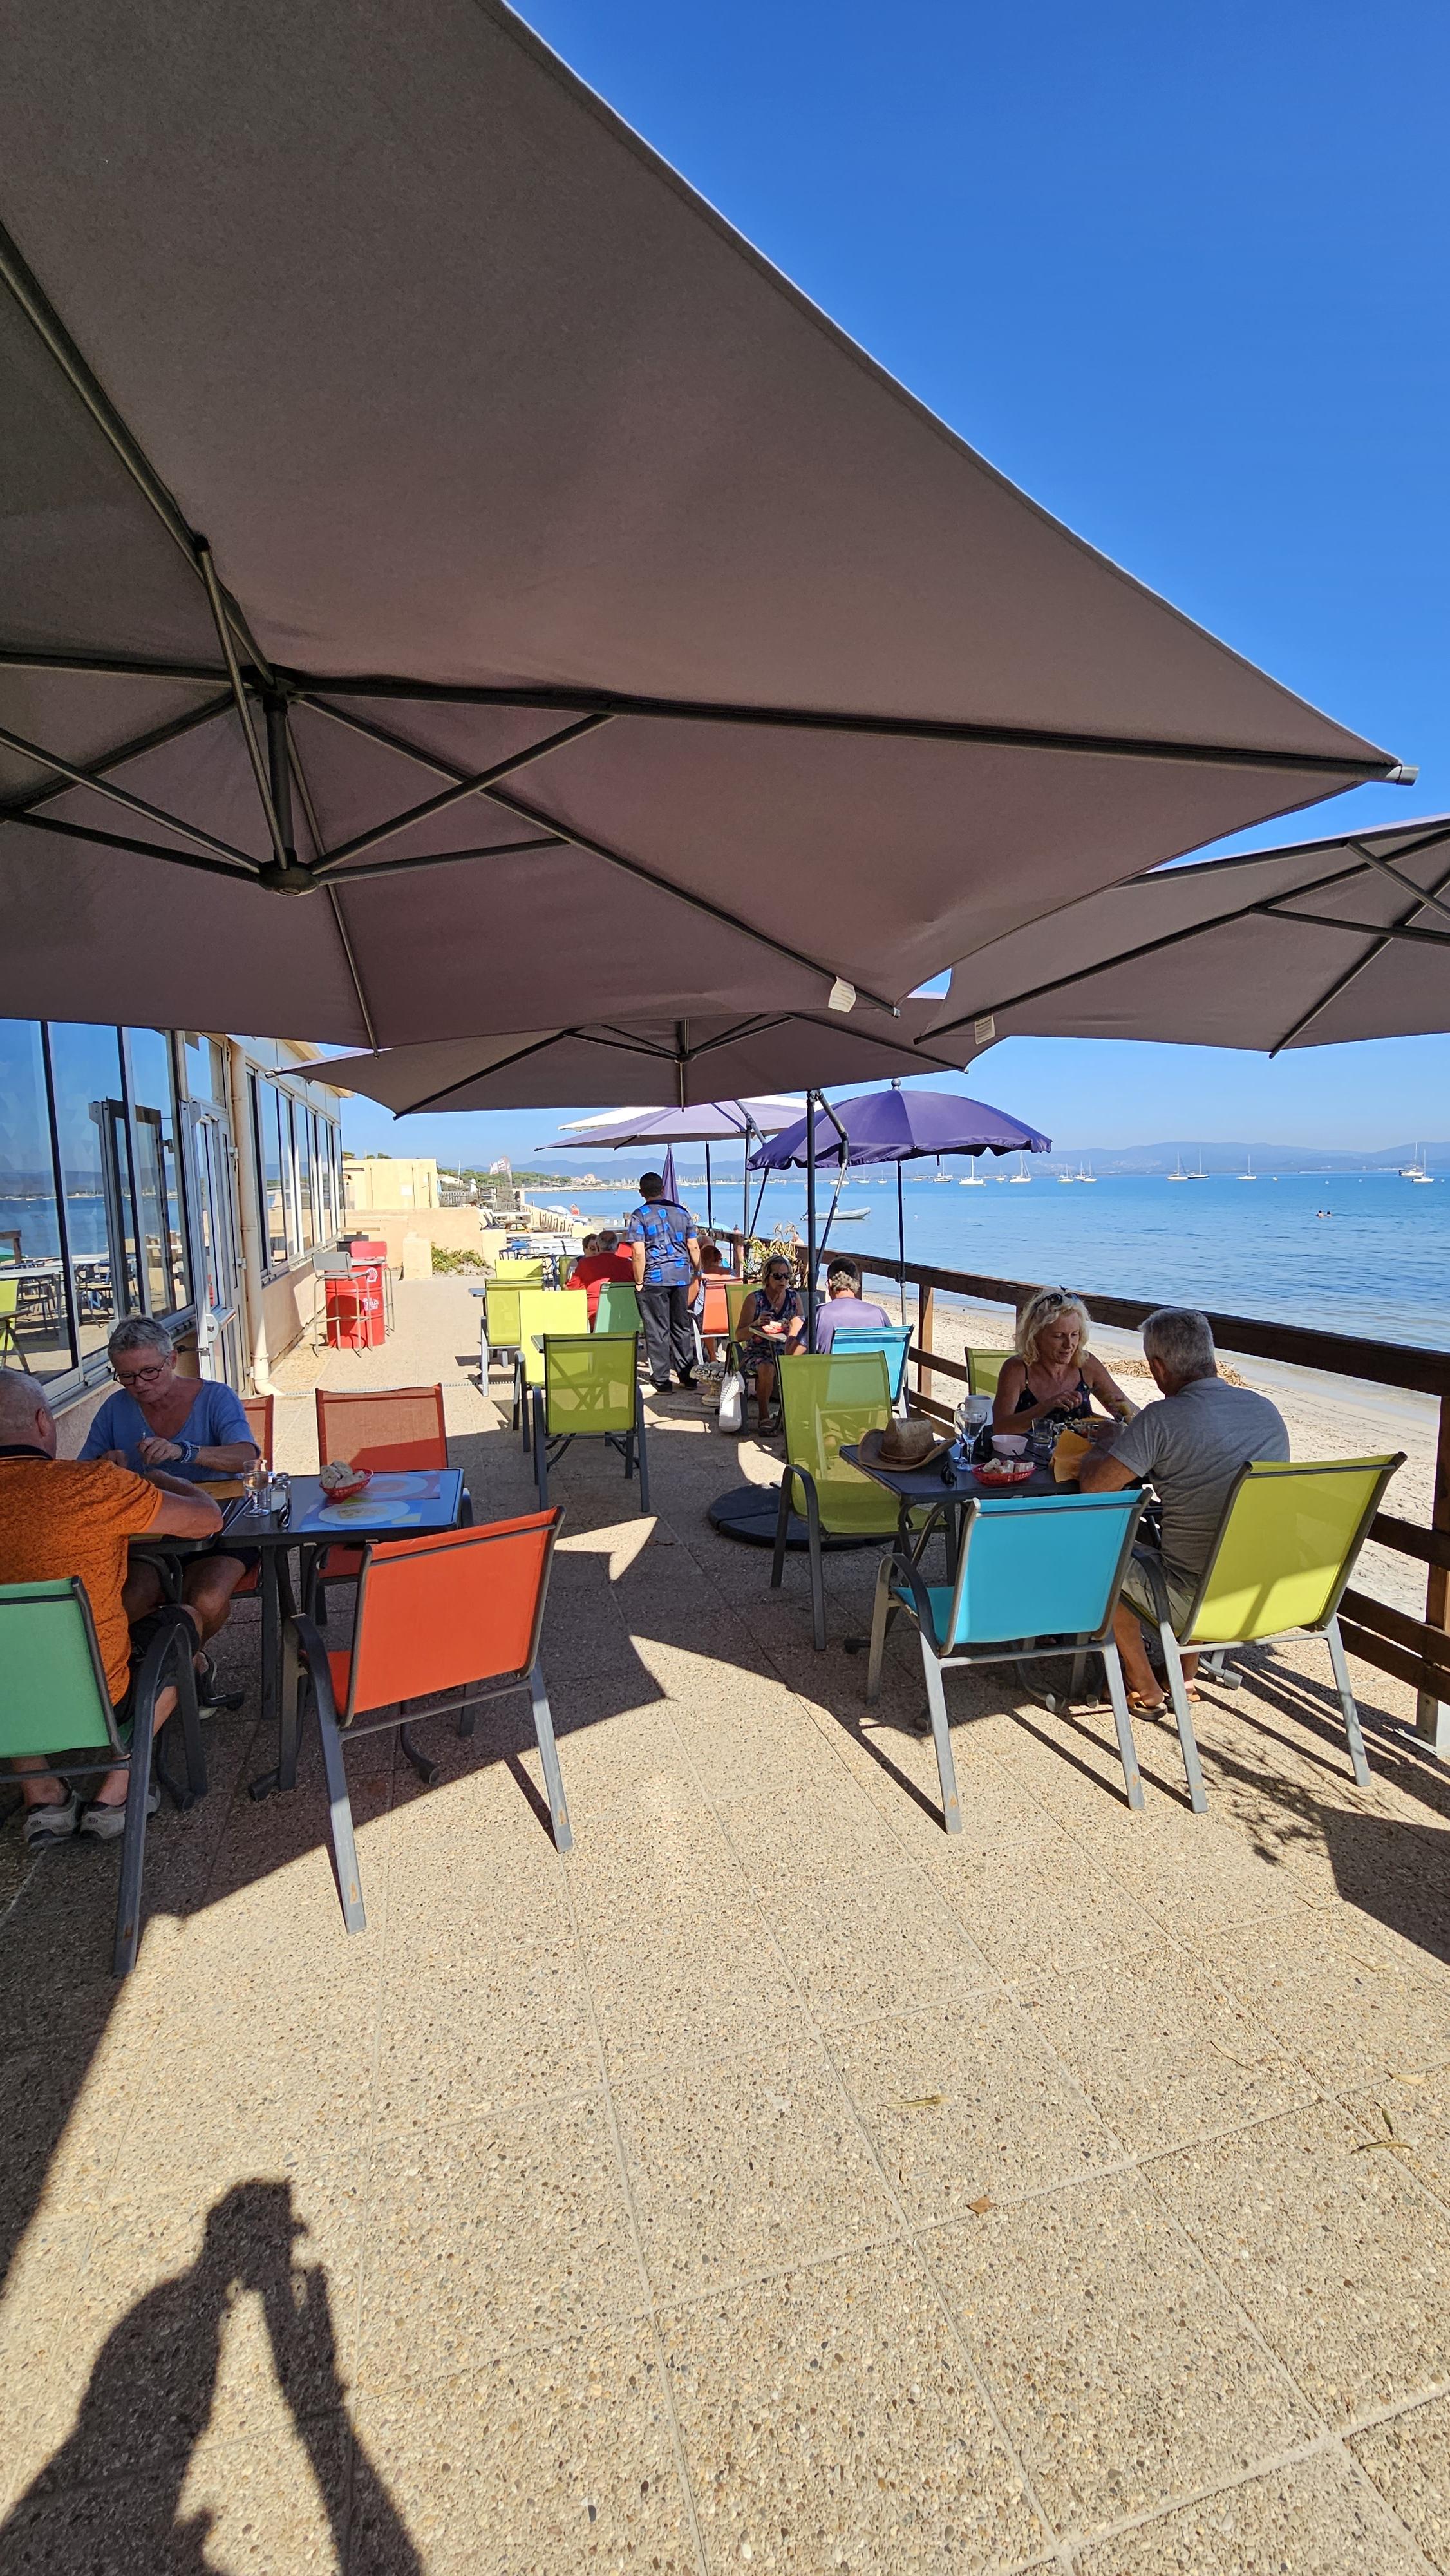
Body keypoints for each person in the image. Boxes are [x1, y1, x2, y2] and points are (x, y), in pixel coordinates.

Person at [0, 1372, 222, 1842]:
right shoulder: (92, 1487)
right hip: (100, 1695)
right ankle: (117, 1788)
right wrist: (162, 1478)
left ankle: (41, 1795)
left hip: (6, 1701)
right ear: (43, 1421)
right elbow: (206, 1518)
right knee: (183, 1622)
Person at [1079, 1307, 1290, 1712]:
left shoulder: (1162, 1419)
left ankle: (1143, 1682)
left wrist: (1107, 1443)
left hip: (1192, 1598)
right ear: (1210, 1355)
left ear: (1157, 1367)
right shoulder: (1265, 1411)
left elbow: (1095, 1487)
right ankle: (1183, 1675)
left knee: (1096, 1556)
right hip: (1265, 1589)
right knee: (1213, 1546)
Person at [79, 1318, 259, 1687]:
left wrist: (186, 1452)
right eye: (126, 1377)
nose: (140, 1385)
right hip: (152, 1533)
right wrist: (105, 1469)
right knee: (129, 1602)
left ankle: (181, 1667)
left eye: (149, 1372)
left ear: (172, 1360)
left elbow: (247, 1459)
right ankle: (175, 1671)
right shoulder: (115, 1408)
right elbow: (82, 1475)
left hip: (223, 1524)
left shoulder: (214, 1397)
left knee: (207, 1599)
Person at [993, 1288, 1134, 1441]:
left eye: (1074, 1334)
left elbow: (1131, 1412)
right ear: (1036, 1336)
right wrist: (1046, 1406)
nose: (1069, 1345)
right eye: (1059, 1336)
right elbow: (1000, 1427)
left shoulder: (1086, 1364)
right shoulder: (1017, 1369)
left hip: (1078, 1457)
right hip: (1026, 1459)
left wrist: (1124, 1412)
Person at [625, 1173, 700, 1392]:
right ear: (663, 1189)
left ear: (641, 1192)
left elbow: (638, 1253)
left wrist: (639, 1281)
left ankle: (662, 1380)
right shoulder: (682, 1213)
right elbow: (693, 1246)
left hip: (654, 1278)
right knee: (681, 1326)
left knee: (657, 1329)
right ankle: (687, 1375)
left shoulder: (639, 1216)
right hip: (680, 1276)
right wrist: (698, 1271)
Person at [738, 1256, 805, 1429]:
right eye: (777, 1276)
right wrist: (755, 1324)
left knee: (807, 1364)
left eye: (787, 1276)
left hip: (786, 1349)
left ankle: (795, 1414)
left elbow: (802, 1327)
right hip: (758, 1351)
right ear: (767, 1277)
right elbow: (739, 1335)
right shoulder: (755, 1300)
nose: (783, 1280)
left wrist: (791, 1326)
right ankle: (764, 1415)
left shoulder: (793, 1297)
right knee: (767, 1367)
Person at [813, 1260, 892, 1354]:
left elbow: (795, 1355)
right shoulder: (878, 1313)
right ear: (856, 1283)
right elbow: (892, 1349)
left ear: (830, 1283)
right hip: (870, 1368)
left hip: (833, 1368)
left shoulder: (821, 1313)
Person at [566, 1228, 634, 1321]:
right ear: (617, 1247)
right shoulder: (628, 1264)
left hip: (593, 1318)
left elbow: (572, 1290)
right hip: (623, 1317)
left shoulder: (585, 1264)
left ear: (598, 1246)